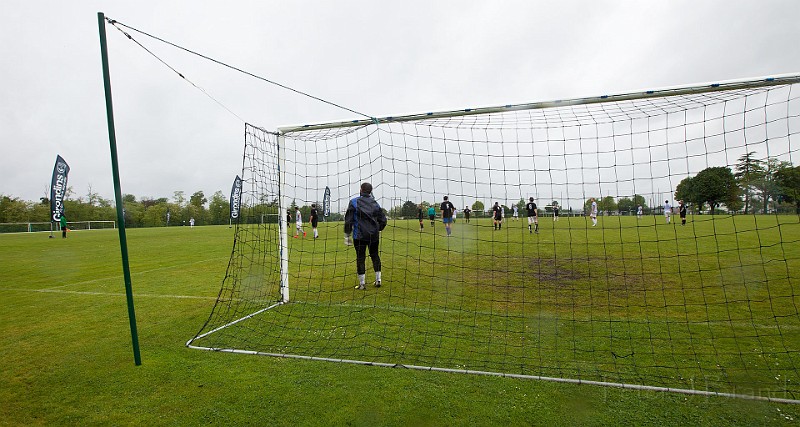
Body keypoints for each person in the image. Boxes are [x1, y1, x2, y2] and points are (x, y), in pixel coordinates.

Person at [344, 182, 387, 289]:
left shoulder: (354, 202)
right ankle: (378, 280)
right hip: (373, 235)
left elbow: (348, 220)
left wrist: (347, 235)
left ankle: (362, 284)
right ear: (370, 191)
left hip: (359, 236)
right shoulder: (375, 203)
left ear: (361, 189)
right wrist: (378, 229)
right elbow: (383, 220)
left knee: (360, 257)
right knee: (375, 255)